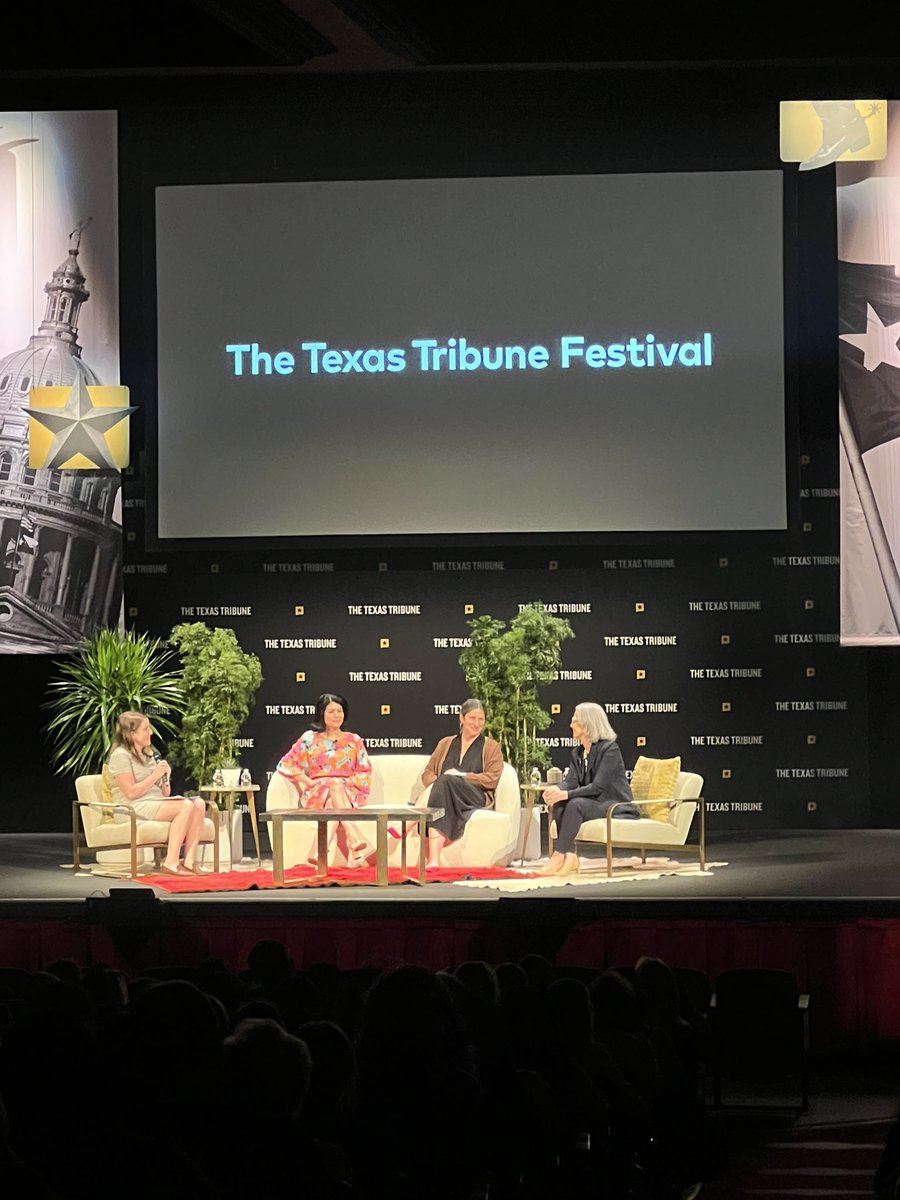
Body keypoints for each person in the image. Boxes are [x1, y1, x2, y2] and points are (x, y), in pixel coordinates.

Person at [539, 701, 639, 876]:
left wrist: (565, 793)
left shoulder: (610, 750)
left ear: (588, 724)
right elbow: (570, 782)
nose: (571, 725)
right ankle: (570, 856)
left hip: (614, 804)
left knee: (575, 803)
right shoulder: (578, 752)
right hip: (595, 802)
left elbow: (597, 787)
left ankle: (558, 854)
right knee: (560, 804)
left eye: (575, 721)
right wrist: (556, 790)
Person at [106, 710, 210, 876]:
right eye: (146, 729)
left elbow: (164, 793)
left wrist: (164, 777)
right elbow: (131, 793)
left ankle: (189, 862)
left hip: (152, 802)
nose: (151, 732)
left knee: (198, 804)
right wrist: (154, 775)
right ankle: (171, 862)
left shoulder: (148, 754)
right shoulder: (120, 756)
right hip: (130, 808)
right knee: (185, 806)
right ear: (132, 734)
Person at [275, 691, 373, 867]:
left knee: (335, 790)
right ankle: (353, 841)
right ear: (322, 714)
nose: (337, 715)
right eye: (331, 711)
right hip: (317, 790)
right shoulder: (309, 738)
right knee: (332, 790)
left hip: (347, 790)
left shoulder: (354, 740)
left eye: (340, 711)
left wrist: (343, 782)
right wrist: (307, 781)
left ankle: (321, 850)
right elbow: (285, 763)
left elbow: (364, 772)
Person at [418, 698, 503, 868]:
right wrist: (442, 782)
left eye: (481, 719)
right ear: (462, 718)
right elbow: (427, 775)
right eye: (472, 718)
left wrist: (462, 776)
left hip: (474, 795)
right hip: (444, 797)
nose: (477, 723)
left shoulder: (491, 746)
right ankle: (433, 859)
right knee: (444, 783)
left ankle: (412, 822)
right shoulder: (446, 743)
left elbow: (492, 779)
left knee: (447, 780)